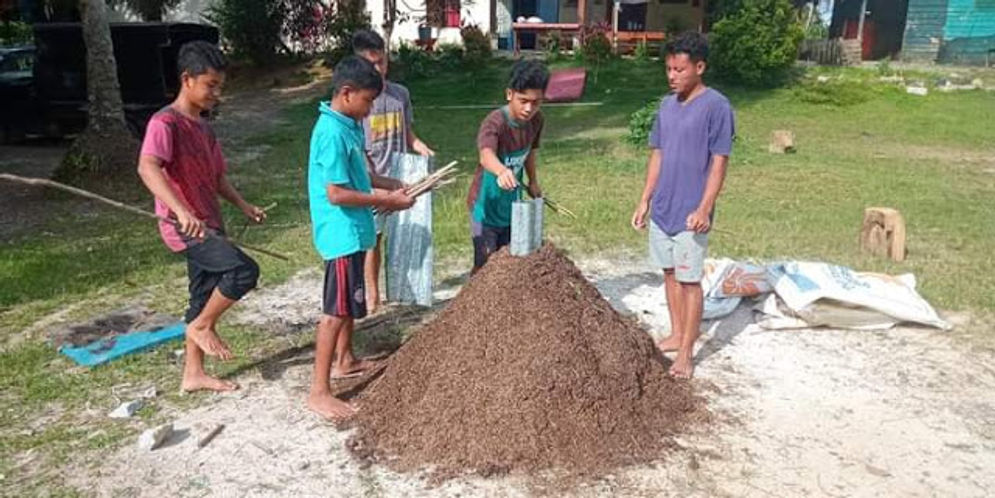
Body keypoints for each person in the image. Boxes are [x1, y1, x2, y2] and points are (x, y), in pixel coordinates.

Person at [137, 41, 266, 392]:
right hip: (185, 227)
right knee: (243, 270)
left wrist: (243, 205)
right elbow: (148, 167)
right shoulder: (165, 123)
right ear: (187, 79)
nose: (216, 93)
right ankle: (201, 325)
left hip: (210, 222)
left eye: (220, 86)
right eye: (211, 85)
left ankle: (192, 373)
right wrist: (180, 210)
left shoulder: (205, 129)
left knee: (202, 293)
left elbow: (218, 177)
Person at [306, 55, 415, 420]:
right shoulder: (330, 133)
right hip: (340, 234)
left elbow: (360, 177)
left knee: (350, 303)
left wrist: (393, 184)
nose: (370, 111)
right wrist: (386, 200)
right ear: (347, 93)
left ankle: (346, 358)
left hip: (355, 230)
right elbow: (337, 193)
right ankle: (319, 391)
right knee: (335, 311)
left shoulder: (348, 123)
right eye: (368, 101)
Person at [630, 31, 735, 380]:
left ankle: (687, 351)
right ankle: (676, 333)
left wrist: (705, 208)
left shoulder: (717, 107)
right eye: (669, 69)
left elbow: (719, 162)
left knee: (690, 282)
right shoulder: (665, 106)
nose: (672, 76)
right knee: (670, 273)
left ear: (700, 67)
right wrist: (644, 199)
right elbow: (657, 155)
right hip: (663, 209)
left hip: (692, 214)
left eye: (679, 69)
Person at [352, 29, 435, 314]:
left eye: (382, 62)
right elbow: (357, 147)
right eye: (371, 64)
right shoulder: (359, 102)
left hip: (401, 177)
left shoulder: (400, 95)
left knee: (402, 234)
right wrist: (370, 181)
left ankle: (401, 288)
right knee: (373, 240)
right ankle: (372, 294)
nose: (379, 69)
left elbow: (407, 132)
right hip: (373, 182)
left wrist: (421, 147)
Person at [466, 59, 549, 271]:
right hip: (486, 206)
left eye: (536, 102)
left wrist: (533, 181)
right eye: (523, 100)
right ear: (509, 94)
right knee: (486, 267)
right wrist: (502, 171)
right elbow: (486, 155)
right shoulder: (495, 122)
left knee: (511, 265)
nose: (529, 108)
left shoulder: (536, 121)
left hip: (512, 206)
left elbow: (530, 151)